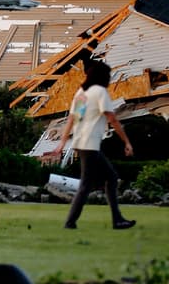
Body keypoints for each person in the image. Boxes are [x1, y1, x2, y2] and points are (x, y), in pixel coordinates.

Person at [47, 59, 136, 230]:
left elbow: (73, 119)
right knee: (88, 184)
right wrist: (126, 142)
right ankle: (71, 222)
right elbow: (111, 118)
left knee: (109, 178)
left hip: (81, 142)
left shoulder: (82, 92)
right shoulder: (100, 92)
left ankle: (116, 219)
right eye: (108, 75)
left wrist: (62, 143)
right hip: (90, 143)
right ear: (102, 76)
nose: (109, 78)